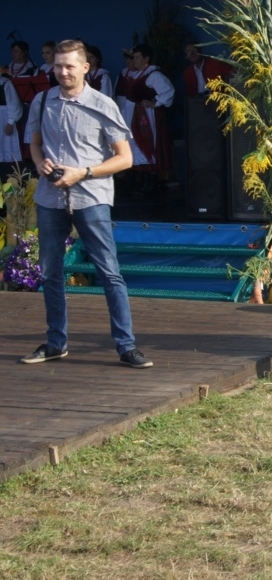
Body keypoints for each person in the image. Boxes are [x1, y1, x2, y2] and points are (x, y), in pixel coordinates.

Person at [21, 39, 153, 368]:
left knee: (109, 273)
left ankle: (126, 346)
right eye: (58, 66)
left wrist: (84, 172)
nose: (63, 72)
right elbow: (34, 144)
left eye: (69, 66)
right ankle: (56, 342)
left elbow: (125, 159)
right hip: (50, 198)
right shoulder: (42, 101)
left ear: (85, 68)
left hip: (91, 198)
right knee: (50, 272)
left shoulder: (103, 104)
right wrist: (40, 163)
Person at [114, 43, 174, 178]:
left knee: (145, 142)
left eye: (137, 57)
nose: (134, 60)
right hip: (131, 114)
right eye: (133, 57)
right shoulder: (134, 75)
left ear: (146, 59)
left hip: (145, 115)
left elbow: (168, 91)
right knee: (132, 142)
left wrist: (155, 103)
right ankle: (137, 176)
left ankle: (149, 177)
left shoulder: (154, 75)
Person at [0, 67, 23, 180]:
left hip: (4, 118)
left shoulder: (5, 83)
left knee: (6, 146)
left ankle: (9, 176)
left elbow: (13, 103)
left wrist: (10, 122)